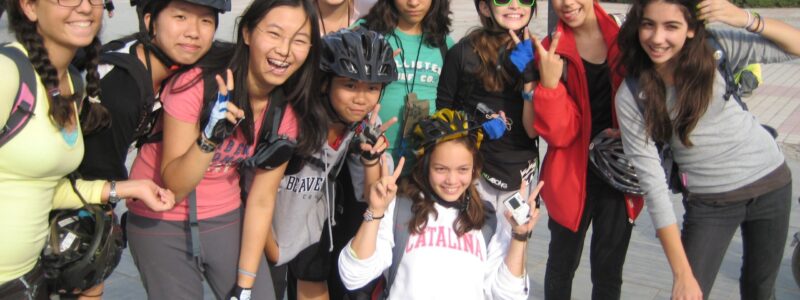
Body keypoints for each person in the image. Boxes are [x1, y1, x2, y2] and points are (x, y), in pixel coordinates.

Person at [125, 0, 326, 298]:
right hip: (160, 216)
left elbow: (261, 200)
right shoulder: (198, 84)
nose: (285, 50)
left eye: (299, 41)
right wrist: (209, 138)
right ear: (246, 33)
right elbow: (174, 186)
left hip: (225, 215)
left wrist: (245, 286)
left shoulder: (285, 115)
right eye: (274, 34)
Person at [615, 0, 800, 298]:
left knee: (760, 289)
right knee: (689, 290)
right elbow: (654, 188)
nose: (657, 38)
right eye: (648, 24)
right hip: (710, 202)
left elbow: (796, 46)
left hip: (771, 182)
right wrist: (682, 275)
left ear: (690, 29)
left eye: (671, 26)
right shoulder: (633, 94)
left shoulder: (716, 48)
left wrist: (745, 18)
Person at [0, 0, 173, 298]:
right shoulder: (8, 73)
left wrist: (127, 188)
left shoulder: (72, 84)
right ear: (29, 7)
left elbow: (46, 190)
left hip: (27, 279)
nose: (84, 7)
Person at [338, 108, 541, 300]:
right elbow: (354, 275)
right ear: (425, 166)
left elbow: (508, 294)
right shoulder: (399, 208)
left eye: (462, 169)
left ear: (474, 168)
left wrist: (519, 235)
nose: (452, 181)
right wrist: (375, 211)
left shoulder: (488, 219)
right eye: (441, 169)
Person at [264, 27, 397, 300]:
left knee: (314, 278)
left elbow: (369, 196)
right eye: (349, 85)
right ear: (325, 83)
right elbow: (253, 192)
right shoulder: (291, 121)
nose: (361, 98)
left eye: (372, 88)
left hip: (310, 220)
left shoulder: (359, 125)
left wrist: (371, 158)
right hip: (265, 224)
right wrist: (271, 247)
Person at [525, 0, 641, 298]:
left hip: (619, 174)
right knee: (562, 265)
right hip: (571, 176)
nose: (566, 3)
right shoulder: (551, 50)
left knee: (609, 272)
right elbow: (560, 135)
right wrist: (549, 86)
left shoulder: (627, 39)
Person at [437, 0, 538, 217]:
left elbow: (533, 130)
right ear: (484, 7)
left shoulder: (539, 54)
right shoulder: (462, 53)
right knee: (469, 243)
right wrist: (475, 125)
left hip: (520, 172)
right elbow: (443, 117)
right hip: (474, 171)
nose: (514, 5)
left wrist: (531, 76)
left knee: (515, 242)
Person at [358, 0, 453, 167]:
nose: (413, 3)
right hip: (369, 157)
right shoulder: (366, 32)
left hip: (424, 162)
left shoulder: (444, 43)